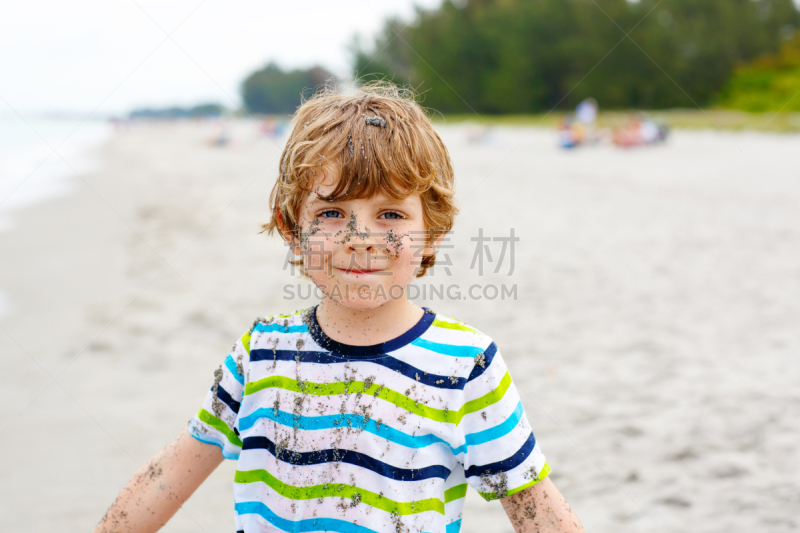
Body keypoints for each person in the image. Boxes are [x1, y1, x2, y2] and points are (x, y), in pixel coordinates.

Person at [94, 83, 586, 533]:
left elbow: (537, 511)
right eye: (330, 213)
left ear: (430, 230)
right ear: (293, 229)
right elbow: (167, 479)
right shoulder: (260, 353)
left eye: (390, 214)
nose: (360, 238)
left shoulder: (465, 366)